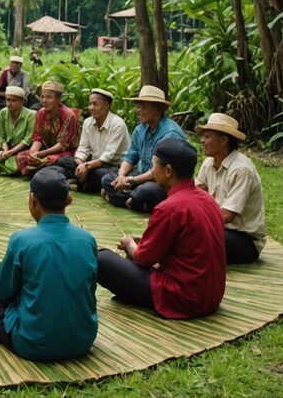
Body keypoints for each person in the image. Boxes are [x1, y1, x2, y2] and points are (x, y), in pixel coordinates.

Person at [0, 168, 97, 361]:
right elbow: (89, 290)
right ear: (68, 200)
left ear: (32, 200)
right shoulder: (87, 240)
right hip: (82, 340)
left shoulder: (22, 241)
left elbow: (2, 293)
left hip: (33, 343)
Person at [96, 139, 226, 319]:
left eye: (154, 165)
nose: (151, 170)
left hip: (183, 297)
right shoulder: (208, 199)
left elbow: (143, 259)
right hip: (211, 295)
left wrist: (130, 245)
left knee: (100, 259)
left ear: (168, 171)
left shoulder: (169, 208)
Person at [101, 85, 187, 212]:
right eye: (138, 106)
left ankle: (130, 199)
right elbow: (131, 156)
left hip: (163, 182)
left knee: (145, 192)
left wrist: (130, 180)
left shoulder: (170, 134)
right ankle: (133, 201)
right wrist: (121, 176)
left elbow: (157, 171)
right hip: (142, 175)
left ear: (158, 109)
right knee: (107, 178)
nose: (138, 110)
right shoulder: (140, 129)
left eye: (144, 107)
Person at [195, 113, 266, 264]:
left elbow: (228, 214)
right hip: (218, 228)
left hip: (244, 240)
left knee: (195, 240)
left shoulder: (242, 169)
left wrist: (196, 225)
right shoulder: (209, 163)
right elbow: (196, 194)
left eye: (207, 136)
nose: (202, 141)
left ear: (223, 140)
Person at [55, 89, 130, 194]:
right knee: (63, 161)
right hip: (92, 164)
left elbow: (107, 156)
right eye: (90, 104)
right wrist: (81, 165)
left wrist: (86, 167)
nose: (91, 108)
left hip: (113, 165)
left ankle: (81, 184)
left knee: (101, 175)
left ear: (107, 105)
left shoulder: (118, 124)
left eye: (95, 104)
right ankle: (84, 184)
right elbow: (83, 148)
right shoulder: (88, 122)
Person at [15, 81, 79, 176]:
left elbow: (62, 145)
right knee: (21, 157)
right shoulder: (40, 113)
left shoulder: (68, 115)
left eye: (49, 97)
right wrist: (33, 153)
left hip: (66, 152)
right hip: (46, 150)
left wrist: (41, 154)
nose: (44, 100)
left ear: (58, 99)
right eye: (42, 97)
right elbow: (38, 138)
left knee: (51, 160)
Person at [0, 87, 35, 175]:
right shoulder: (3, 113)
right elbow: (1, 137)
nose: (9, 104)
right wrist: (5, 150)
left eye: (13, 101)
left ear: (22, 102)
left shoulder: (31, 115)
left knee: (23, 161)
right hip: (8, 147)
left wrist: (11, 152)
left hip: (23, 148)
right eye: (7, 100)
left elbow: (27, 139)